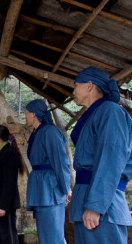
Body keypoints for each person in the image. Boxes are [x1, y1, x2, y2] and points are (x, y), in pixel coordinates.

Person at [70, 66, 132, 243]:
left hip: (102, 202)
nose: (73, 91)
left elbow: (111, 159)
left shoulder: (110, 111)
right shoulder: (95, 112)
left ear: (89, 85)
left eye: (76, 85)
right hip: (88, 195)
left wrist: (95, 206)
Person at [24, 99, 71, 244]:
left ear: (33, 114)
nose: (24, 116)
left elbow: (60, 162)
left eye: (26, 113)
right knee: (46, 236)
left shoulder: (50, 132)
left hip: (50, 190)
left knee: (53, 237)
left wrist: (66, 188)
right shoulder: (37, 133)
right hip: (41, 188)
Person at [0, 125, 26, 244]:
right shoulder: (2, 152)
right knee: (1, 236)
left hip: (5, 205)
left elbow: (9, 183)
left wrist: (3, 206)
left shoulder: (9, 153)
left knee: (8, 236)